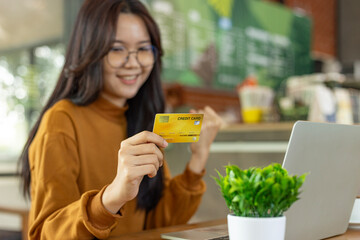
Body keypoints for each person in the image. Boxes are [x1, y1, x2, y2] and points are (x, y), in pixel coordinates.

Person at [18, 0, 223, 239]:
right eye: (117, 49)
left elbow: (158, 223)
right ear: (90, 51)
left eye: (144, 49)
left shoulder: (140, 119)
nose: (134, 63)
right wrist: (112, 196)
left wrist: (198, 157)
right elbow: (46, 234)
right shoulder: (61, 120)